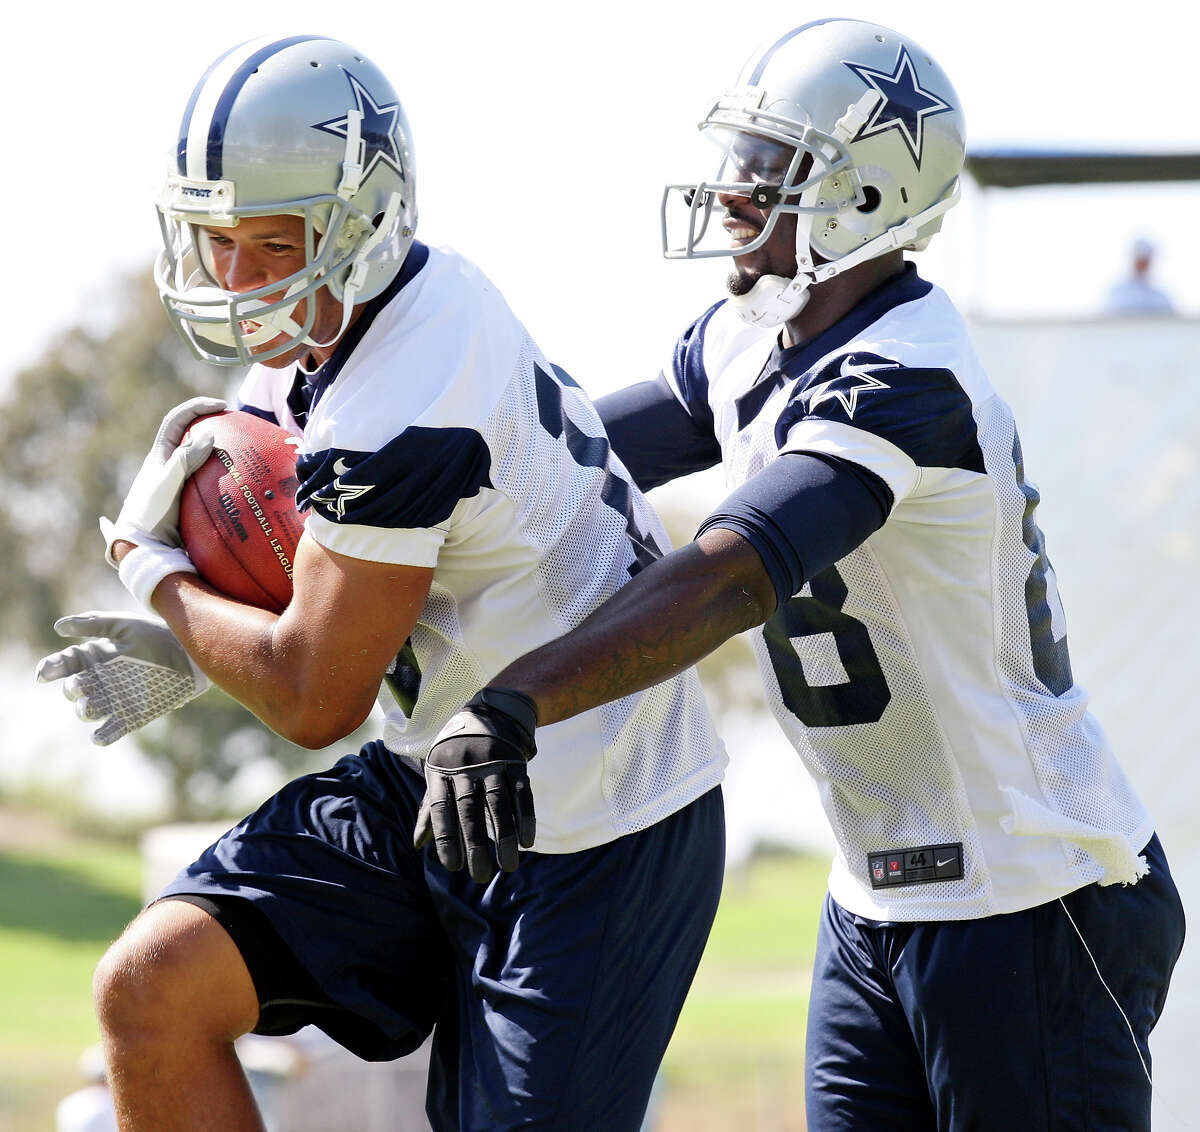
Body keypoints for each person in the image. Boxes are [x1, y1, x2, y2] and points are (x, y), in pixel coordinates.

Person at [415, 19, 1187, 1132]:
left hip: (1036, 894)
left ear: (866, 194)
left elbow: (731, 577)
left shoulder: (905, 377)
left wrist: (514, 702)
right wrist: (359, 501)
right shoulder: (747, 338)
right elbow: (568, 464)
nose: (736, 188)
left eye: (774, 165)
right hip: (877, 898)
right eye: (744, 155)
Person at [36, 35, 726, 1132]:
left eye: (274, 242)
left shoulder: (411, 378)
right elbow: (305, 592)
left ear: (364, 222)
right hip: (438, 773)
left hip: (597, 819)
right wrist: (202, 641)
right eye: (219, 241)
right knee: (153, 986)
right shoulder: (325, 337)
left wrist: (158, 577)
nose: (240, 278)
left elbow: (315, 695)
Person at [1103, 236, 1176, 316]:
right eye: (1139, 261)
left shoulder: (1160, 297)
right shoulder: (1116, 293)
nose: (1142, 265)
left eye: (1145, 261)